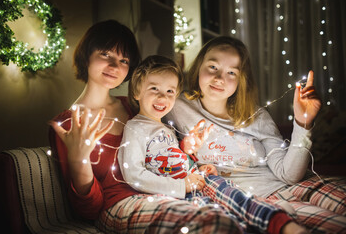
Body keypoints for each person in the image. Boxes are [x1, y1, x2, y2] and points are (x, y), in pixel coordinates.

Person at [49, 20, 243, 233]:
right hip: (124, 205)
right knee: (211, 223)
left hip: (168, 193)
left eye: (124, 60)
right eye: (106, 54)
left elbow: (162, 153)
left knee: (232, 212)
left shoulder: (134, 105)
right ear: (86, 54)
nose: (115, 66)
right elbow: (88, 210)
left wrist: (187, 149)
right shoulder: (67, 126)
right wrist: (80, 160)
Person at [164, 36, 346, 233]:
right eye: (213, 67)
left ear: (241, 80)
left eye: (231, 72)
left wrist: (303, 122)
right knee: (331, 225)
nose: (219, 78)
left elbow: (289, 175)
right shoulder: (175, 106)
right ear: (199, 67)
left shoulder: (258, 117)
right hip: (251, 204)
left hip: (290, 186)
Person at [119, 54, 308, 234]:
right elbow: (134, 174)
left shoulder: (166, 128)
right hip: (181, 192)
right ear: (137, 91)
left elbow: (173, 160)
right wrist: (180, 186)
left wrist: (195, 161)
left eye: (170, 91)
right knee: (217, 216)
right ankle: (269, 220)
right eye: (154, 89)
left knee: (234, 195)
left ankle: (279, 221)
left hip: (197, 181)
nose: (163, 97)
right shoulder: (135, 128)